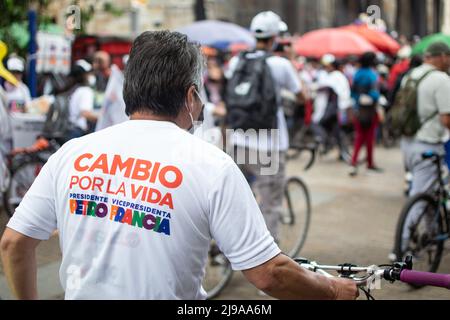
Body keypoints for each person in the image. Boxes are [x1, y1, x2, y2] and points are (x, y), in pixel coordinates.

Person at [0, 30, 358, 300]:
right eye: (199, 94)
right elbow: (269, 273)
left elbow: (14, 243)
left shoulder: (73, 153)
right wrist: (333, 291)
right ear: (190, 96)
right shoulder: (211, 165)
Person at [225, 12, 304, 243]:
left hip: (238, 141)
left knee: (234, 202)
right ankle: (269, 264)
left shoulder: (237, 61)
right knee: (270, 206)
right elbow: (302, 96)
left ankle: (226, 248)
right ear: (275, 37)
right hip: (268, 146)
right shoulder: (281, 64)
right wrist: (291, 58)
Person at [394, 42, 450, 255]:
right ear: (442, 56)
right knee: (419, 196)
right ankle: (401, 248)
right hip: (428, 144)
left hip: (408, 143)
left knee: (427, 192)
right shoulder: (441, 79)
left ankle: (432, 236)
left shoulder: (412, 74)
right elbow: (447, 119)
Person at [349, 52, 382, 176]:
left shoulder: (356, 74)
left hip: (358, 110)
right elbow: (375, 94)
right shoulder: (373, 75)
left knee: (359, 137)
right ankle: (370, 163)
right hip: (370, 111)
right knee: (369, 138)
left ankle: (353, 162)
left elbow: (352, 92)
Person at [66, 59, 97, 139]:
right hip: (78, 132)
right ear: (83, 75)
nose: (91, 75)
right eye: (89, 73)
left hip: (69, 130)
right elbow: (85, 113)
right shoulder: (85, 91)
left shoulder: (72, 90)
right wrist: (103, 118)